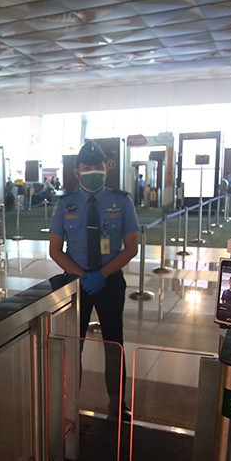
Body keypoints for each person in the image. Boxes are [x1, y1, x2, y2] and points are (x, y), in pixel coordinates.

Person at [49, 139, 139, 420]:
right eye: (87, 168)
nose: (93, 172)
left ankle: (118, 403)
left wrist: (101, 274)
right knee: (73, 343)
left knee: (115, 343)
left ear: (107, 169)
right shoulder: (65, 204)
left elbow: (131, 247)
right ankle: (68, 402)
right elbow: (54, 250)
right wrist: (82, 276)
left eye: (98, 167)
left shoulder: (121, 201)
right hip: (76, 284)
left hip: (109, 281)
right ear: (77, 171)